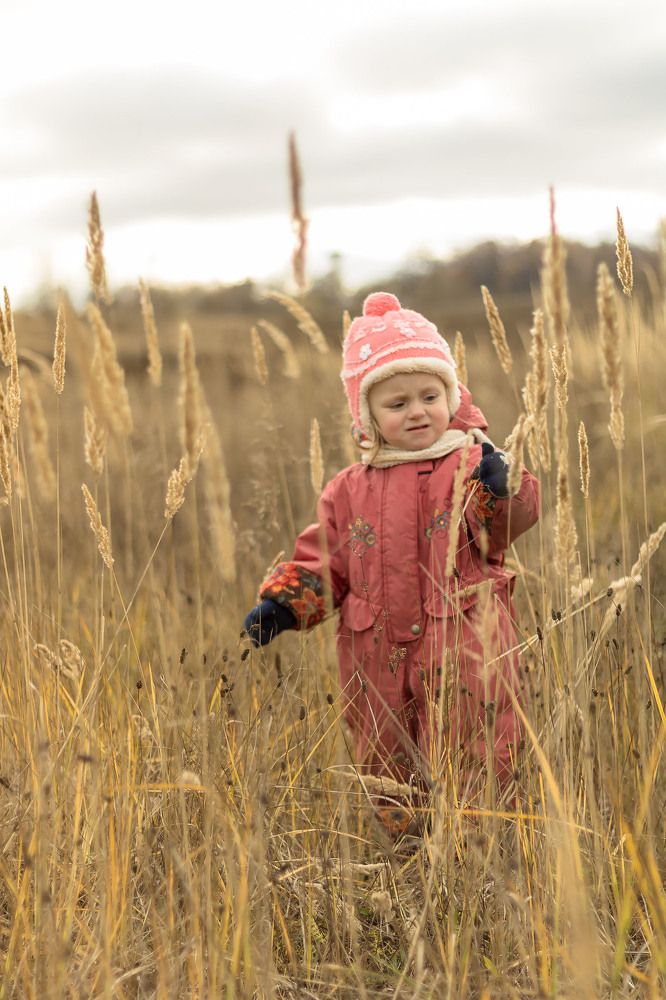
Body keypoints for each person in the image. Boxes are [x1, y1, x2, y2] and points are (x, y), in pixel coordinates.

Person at [243, 291, 539, 821]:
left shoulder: (473, 464)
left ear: (451, 395)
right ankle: (402, 856)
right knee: (386, 761)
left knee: (477, 752)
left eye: (430, 395)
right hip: (375, 658)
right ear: (368, 416)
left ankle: (478, 850)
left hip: (466, 647)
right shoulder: (349, 488)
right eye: (397, 404)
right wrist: (285, 604)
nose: (417, 411)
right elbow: (327, 559)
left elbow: (503, 529)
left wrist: (503, 487)